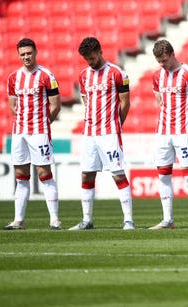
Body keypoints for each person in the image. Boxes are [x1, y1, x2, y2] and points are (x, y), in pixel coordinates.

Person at [69, 37, 134, 230]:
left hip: (109, 133)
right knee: (86, 175)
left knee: (118, 175)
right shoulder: (83, 75)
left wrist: (116, 124)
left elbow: (125, 103)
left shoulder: (117, 73)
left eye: (92, 57)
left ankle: (128, 220)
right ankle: (87, 220)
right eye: (86, 59)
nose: (90, 61)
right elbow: (86, 101)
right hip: (89, 133)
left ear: (100, 51)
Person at [3, 38, 61, 230]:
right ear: (19, 55)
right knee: (21, 175)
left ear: (35, 52)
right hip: (19, 133)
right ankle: (18, 220)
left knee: (44, 173)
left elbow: (55, 105)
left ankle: (54, 220)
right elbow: (12, 105)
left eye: (29, 53)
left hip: (39, 132)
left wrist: (43, 123)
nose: (26, 57)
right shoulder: (13, 78)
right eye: (22, 54)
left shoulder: (46, 76)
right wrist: (22, 121)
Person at [149, 40, 188, 230]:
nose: (162, 64)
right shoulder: (157, 76)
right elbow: (159, 102)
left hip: (183, 132)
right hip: (163, 132)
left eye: (164, 60)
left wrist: (185, 118)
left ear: (172, 54)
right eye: (159, 62)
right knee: (163, 176)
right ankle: (167, 219)